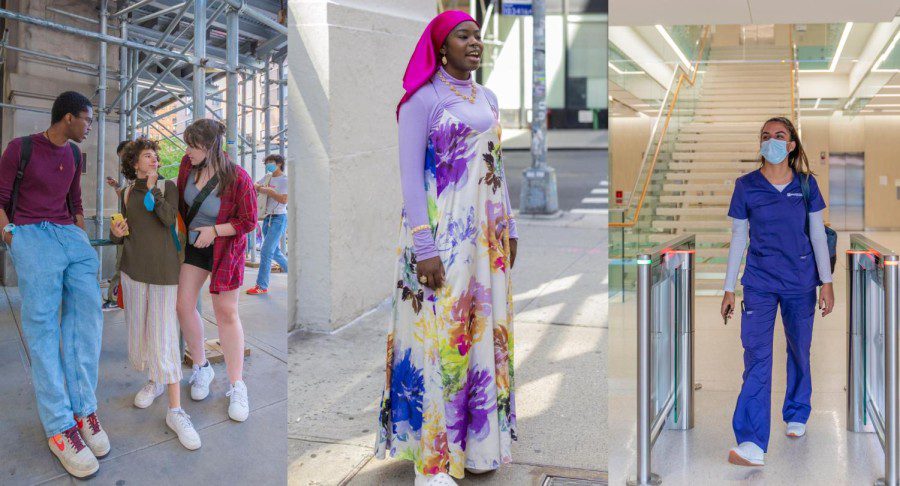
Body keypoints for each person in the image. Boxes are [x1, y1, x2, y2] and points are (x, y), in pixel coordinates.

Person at [374, 11, 519, 486]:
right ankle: (433, 459)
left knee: (482, 334)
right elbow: (409, 177)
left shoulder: (489, 98)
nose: (475, 42)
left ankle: (477, 447)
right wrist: (424, 245)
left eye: (478, 35)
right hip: (441, 237)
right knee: (441, 336)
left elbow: (496, 166)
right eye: (464, 35)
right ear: (442, 47)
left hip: (486, 240)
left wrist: (509, 226)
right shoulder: (422, 101)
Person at [0, 91, 108, 478]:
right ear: (67, 117)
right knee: (43, 328)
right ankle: (59, 426)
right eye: (88, 119)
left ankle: (83, 409)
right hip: (32, 235)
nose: (90, 126)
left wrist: (78, 227)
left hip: (68, 236)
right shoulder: (21, 148)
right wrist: (11, 236)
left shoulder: (74, 155)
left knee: (87, 318)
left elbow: (74, 199)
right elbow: (1, 197)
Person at [721, 116, 835, 466]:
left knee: (799, 348)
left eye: (779, 135)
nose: (771, 140)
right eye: (765, 135)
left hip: (801, 281)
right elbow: (739, 237)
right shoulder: (746, 186)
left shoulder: (806, 185)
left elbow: (817, 235)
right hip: (759, 282)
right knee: (756, 356)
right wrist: (729, 288)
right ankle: (752, 442)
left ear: (791, 145)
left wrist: (826, 282)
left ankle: (797, 411)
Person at [109, 138, 201, 450]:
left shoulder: (167, 187)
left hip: (164, 273)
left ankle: (176, 411)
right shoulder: (123, 192)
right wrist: (116, 233)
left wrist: (151, 189)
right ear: (134, 163)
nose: (155, 161)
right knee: (142, 330)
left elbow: (166, 219)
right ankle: (155, 381)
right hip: (133, 270)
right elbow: (125, 232)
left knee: (164, 335)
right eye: (148, 156)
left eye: (156, 157)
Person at [175, 119, 257, 422]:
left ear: (210, 146)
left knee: (226, 313)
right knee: (183, 305)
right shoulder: (187, 166)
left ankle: (237, 385)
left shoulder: (238, 178)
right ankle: (201, 367)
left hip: (225, 249)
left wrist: (217, 230)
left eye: (193, 145)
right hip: (195, 246)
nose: (187, 151)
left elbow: (248, 221)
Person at [246, 154, 289, 295]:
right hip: (267, 218)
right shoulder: (268, 177)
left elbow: (284, 200)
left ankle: (261, 286)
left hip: (279, 218)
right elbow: (254, 185)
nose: (268, 165)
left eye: (271, 162)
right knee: (274, 252)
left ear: (279, 163)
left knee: (265, 251)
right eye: (267, 162)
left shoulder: (285, 180)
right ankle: (297, 277)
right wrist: (262, 188)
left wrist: (268, 191)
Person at [103, 139, 131, 311]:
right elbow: (128, 199)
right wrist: (117, 187)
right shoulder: (131, 179)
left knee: (121, 266)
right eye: (123, 158)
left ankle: (114, 299)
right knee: (120, 265)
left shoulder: (155, 181)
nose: (125, 161)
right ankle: (115, 298)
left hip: (134, 235)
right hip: (126, 231)